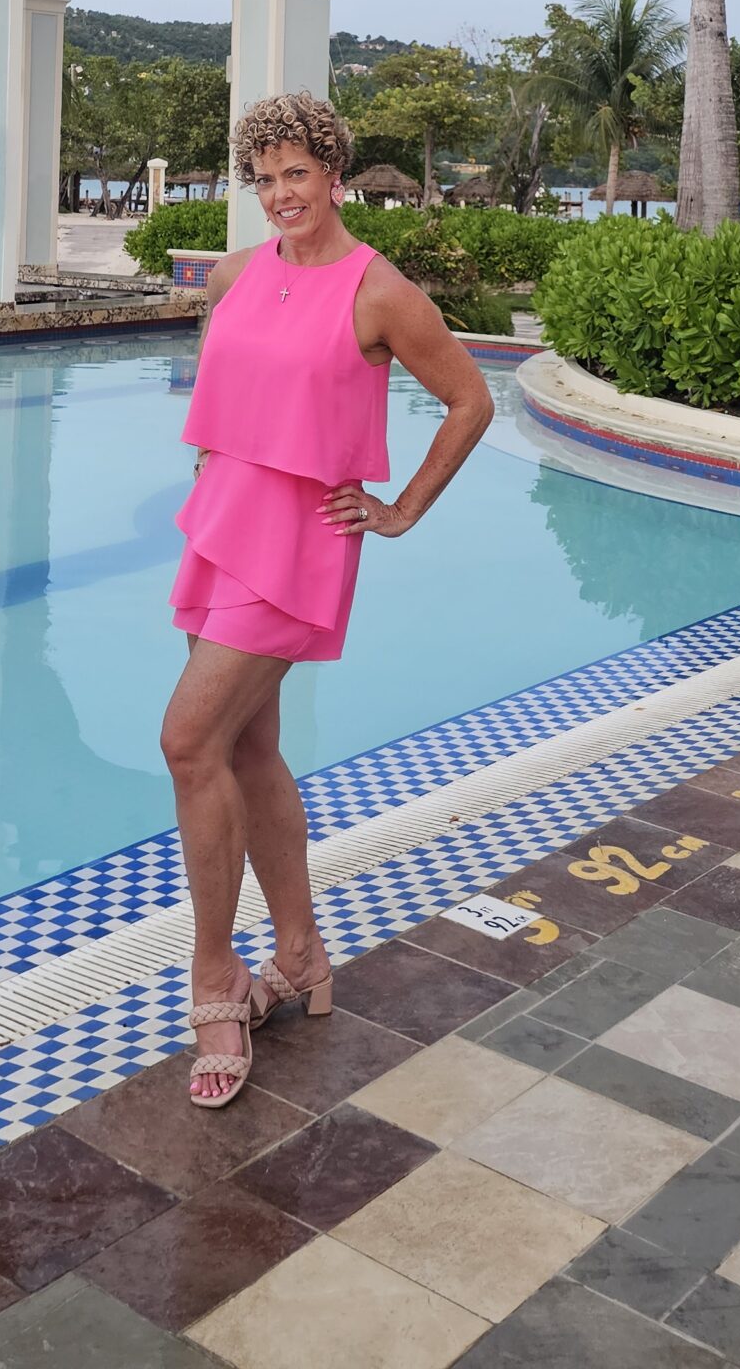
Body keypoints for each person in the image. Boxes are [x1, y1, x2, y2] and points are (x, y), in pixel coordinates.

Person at [160, 89, 493, 1107]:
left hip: (300, 545)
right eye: (263, 179)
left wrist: (401, 509)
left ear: (334, 174)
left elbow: (471, 399)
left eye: (295, 174)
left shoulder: (379, 290)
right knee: (246, 750)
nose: (278, 195)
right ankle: (300, 955)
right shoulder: (236, 272)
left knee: (189, 742)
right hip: (223, 526)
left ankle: (218, 979)